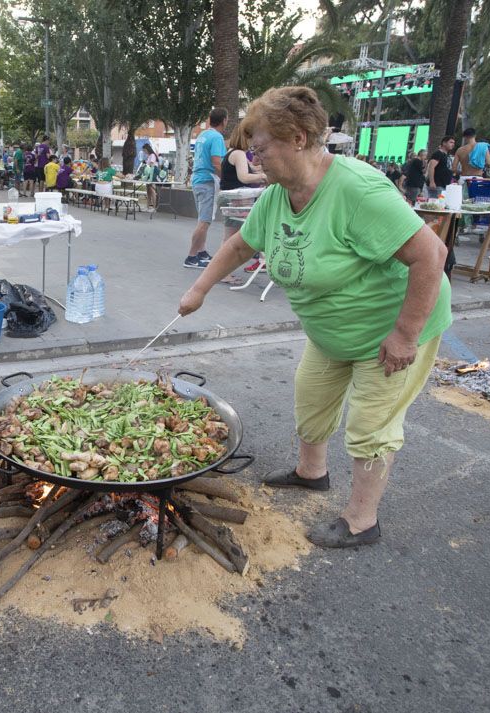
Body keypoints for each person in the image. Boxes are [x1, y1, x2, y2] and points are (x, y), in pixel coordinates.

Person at [178, 86, 451, 548]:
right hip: (331, 331)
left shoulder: (355, 189)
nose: (256, 160)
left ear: (299, 138)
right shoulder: (278, 194)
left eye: (261, 149)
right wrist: (199, 289)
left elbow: (433, 253)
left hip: (388, 328)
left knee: (370, 426)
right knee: (312, 396)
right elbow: (242, 244)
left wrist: (405, 334)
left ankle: (362, 521)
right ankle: (312, 473)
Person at [218, 124, 267, 272]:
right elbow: (244, 177)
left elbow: (251, 168)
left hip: (229, 198)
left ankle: (224, 273)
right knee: (235, 238)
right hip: (236, 199)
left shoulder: (232, 152)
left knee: (229, 238)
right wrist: (264, 176)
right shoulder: (239, 154)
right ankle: (264, 258)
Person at [185, 108, 228, 268]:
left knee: (202, 219)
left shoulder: (203, 135)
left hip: (198, 180)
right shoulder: (217, 137)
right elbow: (217, 162)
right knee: (204, 221)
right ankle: (191, 256)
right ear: (224, 120)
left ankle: (201, 252)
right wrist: (226, 180)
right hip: (207, 181)